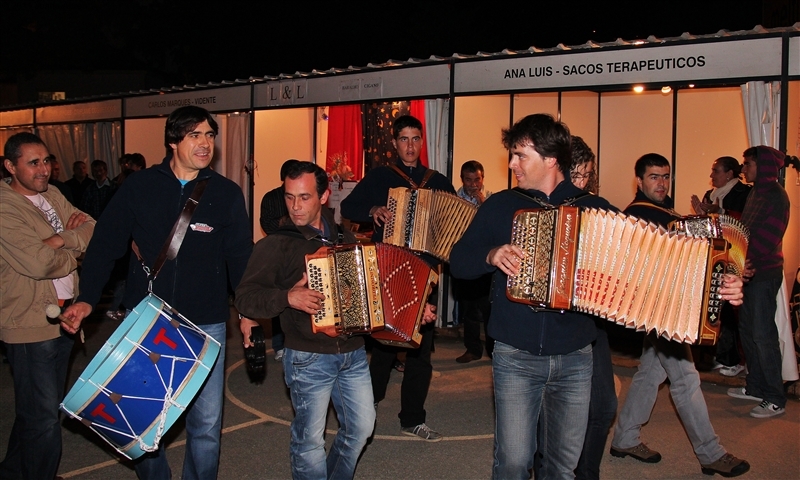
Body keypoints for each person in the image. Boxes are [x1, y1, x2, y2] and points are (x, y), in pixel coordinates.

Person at [62, 106, 253, 480]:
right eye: (194, 135)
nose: (204, 144)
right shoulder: (139, 186)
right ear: (172, 140)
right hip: (149, 323)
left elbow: (240, 257)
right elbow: (105, 246)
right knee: (143, 421)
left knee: (206, 426)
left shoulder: (226, 193)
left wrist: (247, 313)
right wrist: (86, 297)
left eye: (210, 135)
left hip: (207, 324)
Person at [451, 114, 613, 479]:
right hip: (515, 355)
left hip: (575, 357)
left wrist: (720, 279)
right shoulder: (501, 205)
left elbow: (650, 261)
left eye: (520, 155)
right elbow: (459, 262)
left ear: (551, 159)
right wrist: (491, 254)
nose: (511, 164)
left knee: (563, 466)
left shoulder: (595, 209)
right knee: (512, 462)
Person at [611, 153, 750, 477]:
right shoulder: (636, 217)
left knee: (650, 373)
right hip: (659, 311)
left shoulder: (671, 216)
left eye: (666, 176)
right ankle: (710, 452)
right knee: (686, 378)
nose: (661, 183)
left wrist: (730, 262)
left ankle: (624, 437)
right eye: (654, 177)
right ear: (640, 181)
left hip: (672, 307)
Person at [235, 161, 375, 479]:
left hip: (352, 353)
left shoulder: (346, 238)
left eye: (305, 197)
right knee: (309, 441)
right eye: (289, 197)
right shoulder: (277, 243)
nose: (296, 207)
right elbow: (244, 297)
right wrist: (288, 297)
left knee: (361, 428)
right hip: (308, 357)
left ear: (323, 196)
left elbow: (369, 292)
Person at [341, 114, 454, 442]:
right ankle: (367, 409)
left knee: (421, 351)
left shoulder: (438, 181)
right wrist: (373, 209)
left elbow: (451, 221)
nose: (410, 145)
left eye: (415, 139)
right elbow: (348, 206)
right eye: (403, 139)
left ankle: (413, 418)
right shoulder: (379, 176)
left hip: (425, 275)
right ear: (394, 143)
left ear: (422, 142)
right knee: (383, 347)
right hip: (387, 273)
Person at [0, 132, 95, 480]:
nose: (44, 170)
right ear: (10, 166)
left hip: (65, 315)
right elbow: (39, 264)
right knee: (43, 417)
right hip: (29, 322)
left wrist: (59, 241)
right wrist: (74, 248)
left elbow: (93, 228)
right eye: (33, 163)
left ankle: (12, 471)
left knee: (35, 411)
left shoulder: (52, 194)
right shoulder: (5, 205)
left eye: (46, 161)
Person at [726, 146, 790, 419]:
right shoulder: (756, 193)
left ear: (762, 167)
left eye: (748, 164)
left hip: (763, 273)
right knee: (748, 331)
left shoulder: (777, 196)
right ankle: (756, 387)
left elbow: (768, 238)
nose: (744, 169)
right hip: (749, 271)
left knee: (763, 336)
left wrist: (745, 262)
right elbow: (746, 232)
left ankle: (775, 397)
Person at [691, 156, 752, 377]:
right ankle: (721, 355)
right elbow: (710, 227)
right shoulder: (711, 195)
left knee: (731, 310)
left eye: (716, 171)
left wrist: (719, 213)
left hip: (735, 258)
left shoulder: (743, 193)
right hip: (715, 257)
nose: (711, 175)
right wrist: (702, 214)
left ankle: (734, 359)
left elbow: (745, 225)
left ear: (729, 174)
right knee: (715, 306)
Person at [258, 158, 301, 361]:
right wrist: (286, 228)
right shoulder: (271, 197)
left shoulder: (304, 197)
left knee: (301, 298)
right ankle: (279, 345)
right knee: (279, 299)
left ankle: (299, 342)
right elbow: (267, 223)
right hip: (278, 254)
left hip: (301, 253)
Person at [454, 160, 493, 363]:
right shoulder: (453, 199)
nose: (473, 184)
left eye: (477, 179)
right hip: (465, 259)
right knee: (468, 308)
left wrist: (483, 203)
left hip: (486, 261)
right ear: (462, 180)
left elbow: (496, 228)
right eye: (469, 180)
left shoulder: (492, 200)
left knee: (489, 309)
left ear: (482, 178)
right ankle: (472, 349)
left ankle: (493, 351)